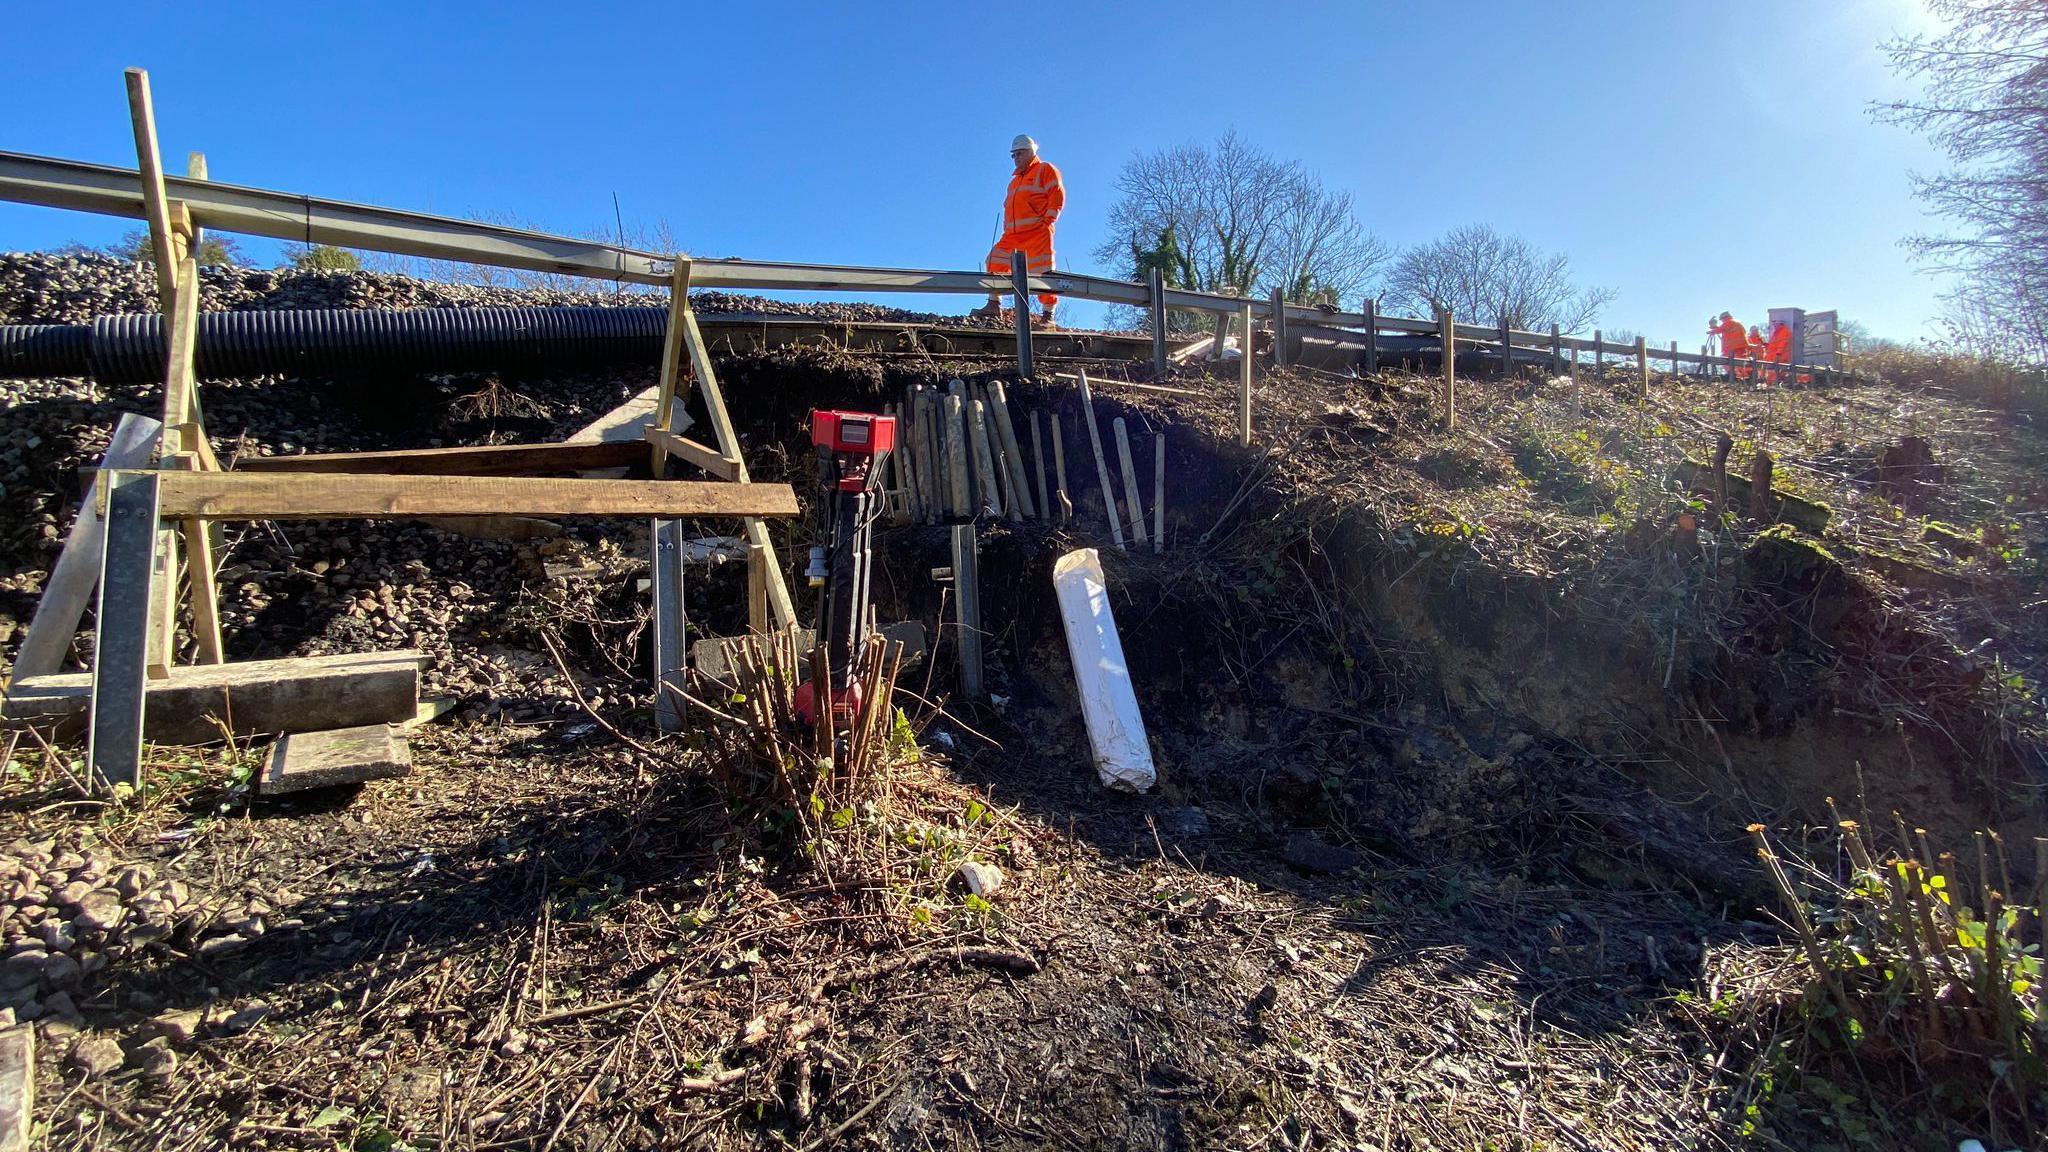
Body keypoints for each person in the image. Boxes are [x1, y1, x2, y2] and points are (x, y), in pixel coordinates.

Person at [970, 135, 1065, 328]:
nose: (1016, 158)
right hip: (1013, 236)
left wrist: (1048, 220)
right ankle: (994, 304)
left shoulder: (1045, 169)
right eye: (1013, 155)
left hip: (1037, 233)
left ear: (1031, 152)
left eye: (1020, 153)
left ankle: (1048, 316)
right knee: (995, 260)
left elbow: (1057, 194)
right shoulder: (1015, 181)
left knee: (1043, 273)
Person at [1712, 312, 1750, 380]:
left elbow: (1721, 329)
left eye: (1721, 320)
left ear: (1724, 318)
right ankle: (1745, 377)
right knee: (1741, 362)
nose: (1722, 321)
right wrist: (1716, 328)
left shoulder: (1728, 322)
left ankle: (1732, 374)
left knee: (1726, 360)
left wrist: (1712, 331)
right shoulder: (1737, 323)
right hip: (1741, 346)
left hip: (1732, 347)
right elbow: (1724, 328)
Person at [1763, 319, 1792, 385]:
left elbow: (1784, 343)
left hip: (1779, 357)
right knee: (1772, 372)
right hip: (1773, 357)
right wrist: (1767, 345)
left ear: (1780, 324)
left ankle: (1773, 385)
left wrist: (1779, 353)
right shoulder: (1776, 332)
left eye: (1775, 324)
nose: (1774, 326)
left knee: (1774, 372)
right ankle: (1771, 385)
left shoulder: (1784, 332)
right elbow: (1773, 345)